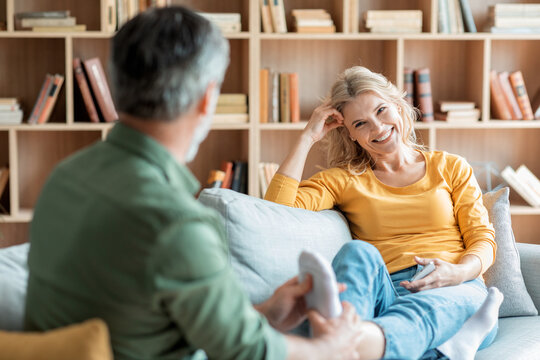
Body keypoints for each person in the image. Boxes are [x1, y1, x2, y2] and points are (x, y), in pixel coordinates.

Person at [23, 7, 373, 360]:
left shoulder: (64, 178)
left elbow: (147, 322)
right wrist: (327, 349)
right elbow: (246, 352)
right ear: (208, 98)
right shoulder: (176, 222)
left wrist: (265, 313)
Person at [265, 66, 503, 359]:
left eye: (381, 110)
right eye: (361, 123)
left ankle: (347, 344)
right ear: (349, 134)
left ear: (398, 105)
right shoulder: (344, 179)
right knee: (356, 253)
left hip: (457, 288)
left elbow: (482, 238)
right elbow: (277, 211)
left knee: (433, 308)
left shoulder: (451, 167)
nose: (377, 128)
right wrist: (307, 137)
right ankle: (432, 345)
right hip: (389, 292)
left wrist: (459, 272)